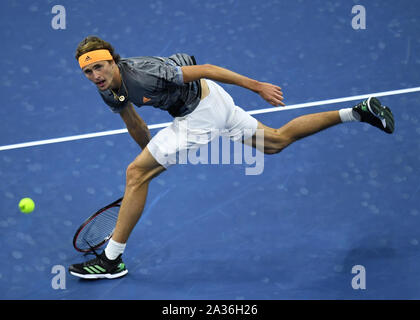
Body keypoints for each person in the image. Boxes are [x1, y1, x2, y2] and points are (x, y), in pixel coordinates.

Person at [68, 36, 394, 279]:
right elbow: (135, 122)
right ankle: (356, 113)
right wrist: (150, 157)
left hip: (201, 113)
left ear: (113, 61)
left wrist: (257, 87)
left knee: (135, 175)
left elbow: (206, 68)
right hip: (213, 103)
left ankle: (111, 260)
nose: (95, 75)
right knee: (276, 141)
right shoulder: (108, 87)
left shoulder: (144, 74)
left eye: (99, 66)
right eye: (88, 71)